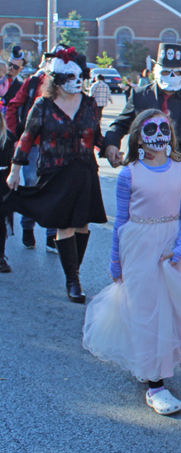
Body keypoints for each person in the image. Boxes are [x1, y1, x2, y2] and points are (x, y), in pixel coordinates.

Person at [82, 109, 181, 415]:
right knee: (147, 311)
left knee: (172, 312)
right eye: (151, 129)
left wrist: (179, 245)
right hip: (139, 247)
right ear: (138, 139)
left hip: (174, 247)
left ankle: (155, 367)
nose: (159, 135)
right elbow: (120, 221)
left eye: (164, 128)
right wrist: (115, 262)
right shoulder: (129, 173)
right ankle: (155, 386)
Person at [6, 47, 107, 304]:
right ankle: (72, 280)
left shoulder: (89, 103)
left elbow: (96, 136)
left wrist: (111, 150)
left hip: (85, 171)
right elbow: (27, 138)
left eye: (79, 78)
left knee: (82, 225)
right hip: (55, 172)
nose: (77, 83)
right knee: (64, 224)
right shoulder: (43, 105)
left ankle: (75, 271)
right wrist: (16, 169)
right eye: (70, 79)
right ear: (57, 81)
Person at [103, 43, 181, 222]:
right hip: (146, 174)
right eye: (166, 72)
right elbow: (121, 124)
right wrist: (111, 144)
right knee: (146, 225)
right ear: (156, 71)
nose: (171, 77)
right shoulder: (140, 96)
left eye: (177, 72)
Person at [5, 44, 68, 253]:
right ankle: (27, 228)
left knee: (53, 189)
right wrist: (13, 135)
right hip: (32, 145)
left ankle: (51, 236)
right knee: (32, 186)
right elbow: (14, 105)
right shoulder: (33, 82)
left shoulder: (68, 83)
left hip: (56, 147)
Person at [0, 111, 15, 272]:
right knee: (1, 222)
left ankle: (0, 257)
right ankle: (0, 257)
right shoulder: (9, 137)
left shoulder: (8, 138)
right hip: (3, 183)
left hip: (3, 184)